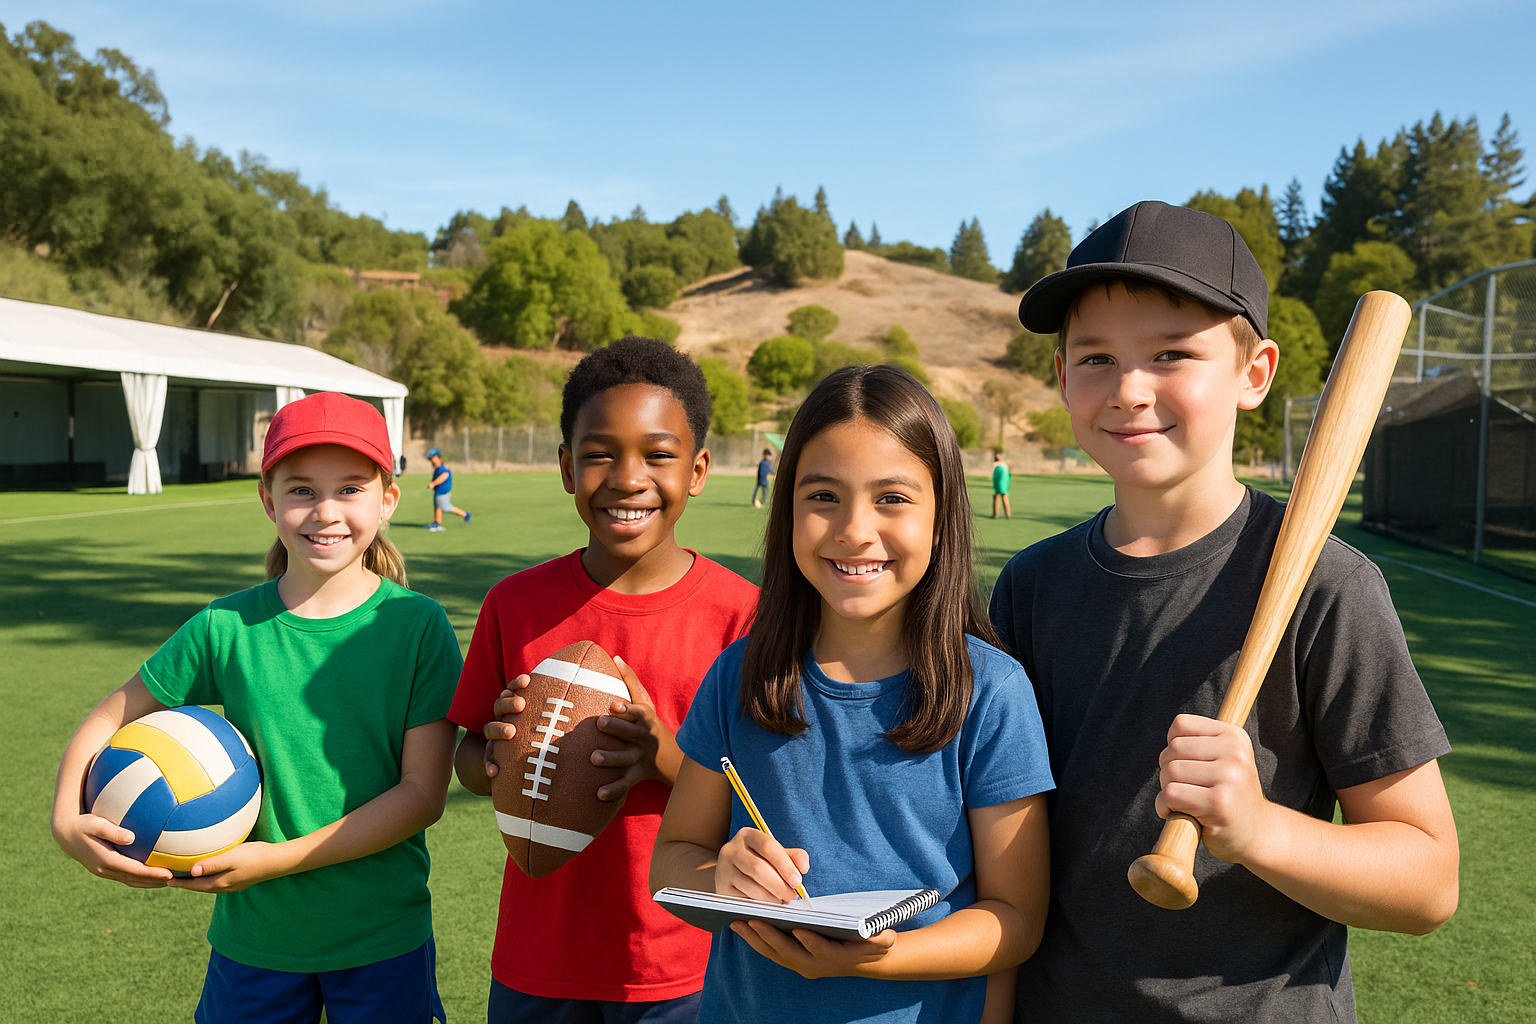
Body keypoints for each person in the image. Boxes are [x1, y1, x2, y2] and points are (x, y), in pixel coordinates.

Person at [989, 201, 1458, 1023]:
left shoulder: (1326, 586)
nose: (1129, 389)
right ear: (1062, 377)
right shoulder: (1033, 584)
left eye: (1172, 353)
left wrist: (1257, 829)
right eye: (1096, 358)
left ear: (1254, 373)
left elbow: (1427, 882)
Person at [651, 363, 1054, 1024]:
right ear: (787, 509)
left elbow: (1015, 919)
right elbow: (672, 860)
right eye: (823, 496)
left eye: (891, 498)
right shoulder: (739, 676)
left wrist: (876, 958)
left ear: (942, 517)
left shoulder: (992, 692)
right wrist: (721, 875)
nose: (854, 529)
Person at [51, 391, 462, 1024]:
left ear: (387, 500)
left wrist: (275, 860)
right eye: (301, 490)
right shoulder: (225, 627)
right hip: (255, 940)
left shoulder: (418, 627)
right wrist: (65, 820)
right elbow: (111, 715)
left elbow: (422, 794)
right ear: (268, 500)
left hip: (381, 936)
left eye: (350, 489)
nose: (326, 511)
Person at [450, 336, 759, 1024]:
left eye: (658, 455)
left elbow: (759, 798)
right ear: (567, 467)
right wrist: (500, 752)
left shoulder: (743, 616)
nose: (627, 478)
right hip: (540, 955)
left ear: (698, 470)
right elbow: (468, 762)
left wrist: (660, 756)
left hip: (681, 963)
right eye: (599, 454)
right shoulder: (514, 604)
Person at [425, 447, 470, 531]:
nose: (432, 462)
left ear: (439, 458)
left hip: (443, 492)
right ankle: (437, 522)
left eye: (434, 459)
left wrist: (433, 483)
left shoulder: (443, 469)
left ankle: (465, 514)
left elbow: (444, 476)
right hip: (438, 492)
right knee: (438, 506)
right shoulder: (437, 470)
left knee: (446, 507)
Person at [990, 451, 1010, 519]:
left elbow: (1000, 478)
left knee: (999, 498)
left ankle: (997, 514)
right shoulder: (1004, 466)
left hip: (1000, 486)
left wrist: (999, 486)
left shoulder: (1000, 466)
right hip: (1002, 486)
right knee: (1003, 499)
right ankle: (1006, 513)